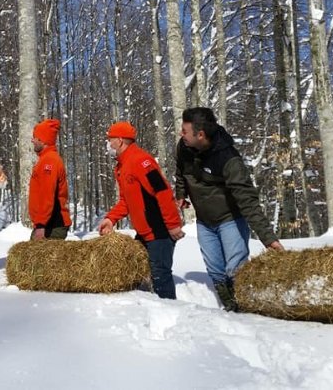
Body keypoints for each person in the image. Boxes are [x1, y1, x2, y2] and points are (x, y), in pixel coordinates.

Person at [176, 107, 284, 311]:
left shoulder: (228, 159)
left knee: (235, 268)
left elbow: (247, 199)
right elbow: (181, 173)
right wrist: (181, 195)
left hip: (230, 219)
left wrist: (268, 238)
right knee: (215, 270)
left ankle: (246, 307)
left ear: (200, 135)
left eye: (184, 131)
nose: (181, 135)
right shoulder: (184, 147)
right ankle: (230, 308)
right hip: (204, 221)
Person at [97, 122, 185, 300]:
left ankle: (171, 314)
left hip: (159, 231)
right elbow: (126, 201)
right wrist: (110, 219)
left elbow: (162, 191)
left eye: (110, 140)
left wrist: (173, 225)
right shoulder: (122, 166)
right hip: (144, 233)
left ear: (120, 141)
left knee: (159, 275)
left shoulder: (141, 161)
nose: (108, 145)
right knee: (139, 273)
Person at [29, 119, 72, 240]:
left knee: (36, 258)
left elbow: (47, 194)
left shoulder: (49, 161)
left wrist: (41, 225)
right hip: (47, 224)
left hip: (52, 225)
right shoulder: (45, 159)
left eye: (35, 137)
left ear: (43, 140)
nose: (32, 140)